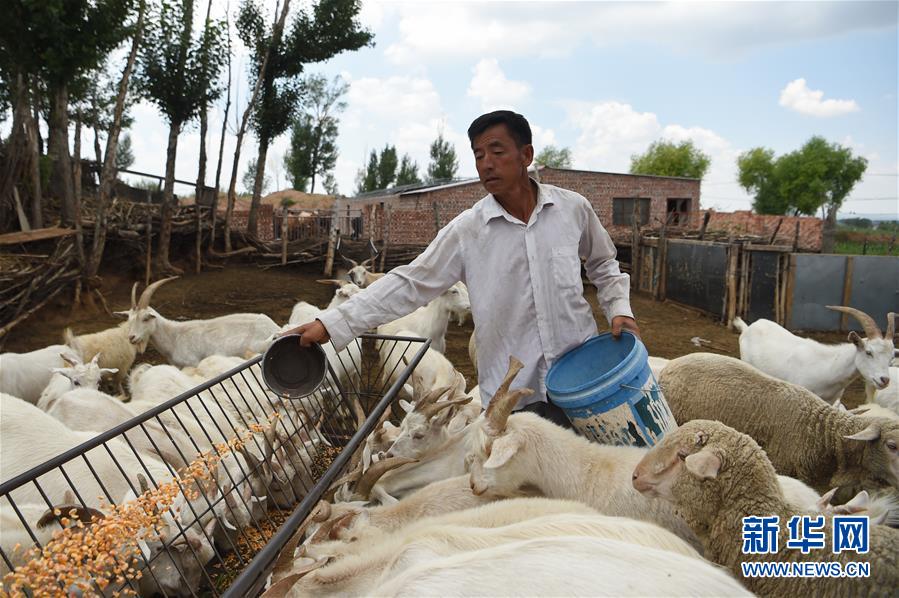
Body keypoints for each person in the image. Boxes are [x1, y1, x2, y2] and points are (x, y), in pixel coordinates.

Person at [287, 110, 639, 427]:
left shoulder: (572, 210)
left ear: (526, 155)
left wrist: (619, 308)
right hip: (512, 400)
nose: (486, 164)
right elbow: (410, 282)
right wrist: (333, 323)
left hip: (580, 384)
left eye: (497, 152)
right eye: (478, 155)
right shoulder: (468, 231)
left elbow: (603, 262)